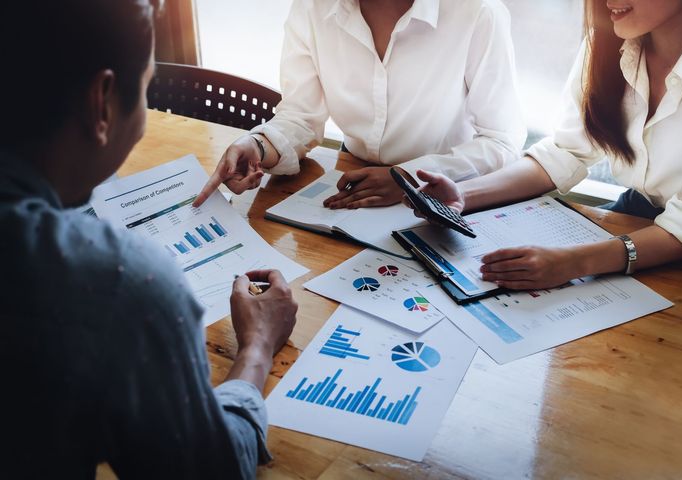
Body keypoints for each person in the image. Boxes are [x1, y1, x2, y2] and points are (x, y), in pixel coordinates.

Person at [0, 1, 298, 478]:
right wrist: (257, 347)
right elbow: (211, 470)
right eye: (145, 89)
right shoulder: (116, 284)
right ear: (102, 102)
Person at [404, 0, 682, 290]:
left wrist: (573, 262)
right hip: (641, 216)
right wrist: (464, 195)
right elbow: (565, 151)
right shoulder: (610, 45)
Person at [193, 0, 526, 210]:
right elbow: (301, 116)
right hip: (351, 187)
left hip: (448, 197)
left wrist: (405, 178)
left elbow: (502, 140)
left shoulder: (479, 13)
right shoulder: (312, 8)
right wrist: (258, 145)